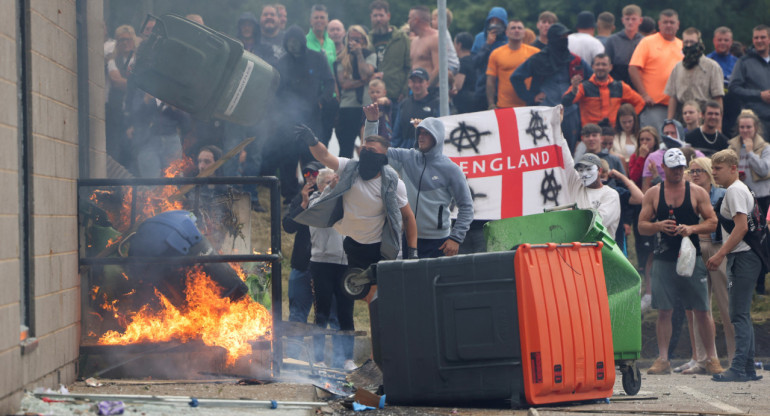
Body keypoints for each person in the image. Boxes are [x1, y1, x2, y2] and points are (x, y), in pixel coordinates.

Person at [295, 124, 419, 369]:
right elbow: (323, 156)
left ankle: (384, 358)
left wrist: (412, 252)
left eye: (371, 151)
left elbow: (408, 218)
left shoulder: (392, 182)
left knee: (382, 304)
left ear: (382, 158)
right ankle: (365, 357)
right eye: (363, 149)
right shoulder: (349, 168)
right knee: (360, 298)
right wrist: (313, 139)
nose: (365, 154)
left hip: (380, 248)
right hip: (352, 245)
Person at [638, 148, 723, 375]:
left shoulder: (696, 192)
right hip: (664, 256)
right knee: (664, 310)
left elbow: (713, 222)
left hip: (691, 255)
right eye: (672, 168)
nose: (677, 172)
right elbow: (641, 226)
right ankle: (663, 358)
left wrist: (692, 228)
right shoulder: (654, 194)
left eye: (679, 168)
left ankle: (712, 358)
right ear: (663, 168)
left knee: (702, 309)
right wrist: (658, 226)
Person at [363, 104, 474, 258]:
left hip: (439, 242)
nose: (421, 136)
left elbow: (467, 207)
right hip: (408, 238)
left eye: (426, 133)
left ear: (437, 138)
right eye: (419, 132)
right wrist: (372, 122)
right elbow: (371, 151)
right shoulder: (407, 157)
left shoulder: (451, 169)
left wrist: (456, 238)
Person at [708, 149, 764, 382]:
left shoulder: (734, 191)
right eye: (713, 168)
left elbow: (741, 228)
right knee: (742, 314)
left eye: (718, 168)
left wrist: (720, 254)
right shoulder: (740, 189)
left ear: (733, 168)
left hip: (743, 257)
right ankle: (748, 368)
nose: (714, 173)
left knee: (738, 314)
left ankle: (739, 367)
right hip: (746, 257)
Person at [270, 25, 335, 201]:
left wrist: (321, 101)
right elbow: (274, 91)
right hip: (287, 119)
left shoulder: (317, 58)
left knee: (312, 157)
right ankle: (290, 196)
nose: (293, 45)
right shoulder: (281, 63)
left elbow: (330, 83)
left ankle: (314, 193)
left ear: (302, 42)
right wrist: (280, 112)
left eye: (295, 41)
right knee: (288, 158)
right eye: (289, 42)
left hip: (313, 117)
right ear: (285, 43)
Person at [687, 157, 735, 369]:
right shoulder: (685, 195)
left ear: (708, 173)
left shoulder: (722, 194)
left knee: (727, 306)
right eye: (692, 171)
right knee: (699, 306)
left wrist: (727, 251)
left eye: (700, 170)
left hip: (718, 247)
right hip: (695, 249)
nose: (695, 174)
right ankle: (704, 358)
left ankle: (736, 358)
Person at [512, 23, 592, 151]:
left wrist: (580, 91)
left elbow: (592, 79)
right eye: (561, 37)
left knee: (569, 152)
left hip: (569, 113)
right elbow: (516, 77)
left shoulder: (575, 60)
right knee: (544, 149)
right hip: (544, 112)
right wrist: (530, 97)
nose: (564, 40)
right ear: (553, 39)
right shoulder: (538, 59)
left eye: (566, 37)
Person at [307, 168, 355, 371]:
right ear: (319, 186)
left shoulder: (347, 202)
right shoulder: (315, 201)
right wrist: (330, 190)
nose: (331, 185)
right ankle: (318, 359)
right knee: (322, 313)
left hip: (345, 263)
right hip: (322, 262)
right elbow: (319, 210)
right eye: (326, 182)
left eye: (333, 181)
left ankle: (347, 359)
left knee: (346, 313)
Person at [629, 9, 683, 129]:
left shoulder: (682, 45)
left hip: (678, 106)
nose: (668, 25)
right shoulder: (647, 42)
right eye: (665, 22)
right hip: (654, 105)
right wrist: (643, 94)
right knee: (655, 142)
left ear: (678, 25)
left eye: (672, 22)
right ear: (659, 24)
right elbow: (633, 68)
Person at [562, 53, 644, 128]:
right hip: (591, 135)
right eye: (598, 64)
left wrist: (627, 120)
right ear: (592, 67)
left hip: (613, 134)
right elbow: (566, 102)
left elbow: (640, 102)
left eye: (604, 64)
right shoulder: (583, 87)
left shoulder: (620, 86)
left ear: (610, 67)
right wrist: (574, 90)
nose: (600, 67)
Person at [664, 28, 724, 121]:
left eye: (692, 42)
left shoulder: (712, 67)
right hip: (682, 116)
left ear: (699, 43)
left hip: (705, 116)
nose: (688, 45)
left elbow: (718, 98)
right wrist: (669, 121)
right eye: (686, 42)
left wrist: (718, 125)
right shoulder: (678, 67)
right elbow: (673, 97)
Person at [335, 25, 376, 158]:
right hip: (348, 107)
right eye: (352, 39)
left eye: (358, 39)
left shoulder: (370, 55)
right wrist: (364, 81)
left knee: (369, 147)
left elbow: (365, 73)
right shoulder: (341, 58)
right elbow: (344, 84)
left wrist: (359, 54)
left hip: (366, 106)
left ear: (364, 40)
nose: (354, 42)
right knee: (346, 149)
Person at [486, 20, 539, 109]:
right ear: (507, 33)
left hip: (529, 105)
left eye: (519, 28)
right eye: (513, 28)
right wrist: (491, 104)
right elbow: (490, 81)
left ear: (524, 33)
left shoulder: (535, 53)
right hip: (504, 106)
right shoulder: (496, 53)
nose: (516, 30)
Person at [728, 25, 770, 138]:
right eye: (756, 38)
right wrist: (759, 95)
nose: (759, 40)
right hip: (755, 123)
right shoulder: (744, 62)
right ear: (753, 40)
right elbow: (734, 88)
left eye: (762, 37)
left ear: (769, 39)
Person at [728, 110, 770, 220]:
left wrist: (750, 152)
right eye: (742, 127)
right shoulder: (732, 147)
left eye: (748, 127)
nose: (745, 130)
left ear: (755, 128)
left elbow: (764, 170)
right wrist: (736, 176)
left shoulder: (765, 147)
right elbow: (725, 170)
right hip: (740, 197)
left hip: (761, 197)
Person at [106, 25, 137, 168]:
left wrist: (131, 84)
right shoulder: (113, 60)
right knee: (114, 149)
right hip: (116, 111)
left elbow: (138, 86)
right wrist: (131, 84)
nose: (125, 43)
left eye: (128, 39)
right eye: (122, 40)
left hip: (135, 113)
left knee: (133, 152)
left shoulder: (139, 60)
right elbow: (117, 82)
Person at [369, 0, 411, 104]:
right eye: (375, 16)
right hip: (372, 95)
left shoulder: (401, 38)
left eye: (381, 15)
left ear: (388, 16)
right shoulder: (367, 39)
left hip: (396, 94)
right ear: (371, 17)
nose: (378, 19)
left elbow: (409, 66)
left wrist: (404, 90)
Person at [470, 7, 508, 112]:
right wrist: (487, 45)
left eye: (498, 22)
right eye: (492, 21)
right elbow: (474, 63)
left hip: (504, 90)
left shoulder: (508, 40)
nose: (495, 24)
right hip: (483, 87)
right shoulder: (480, 38)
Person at [391, 68, 440, 149]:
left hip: (428, 153)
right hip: (406, 153)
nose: (417, 85)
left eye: (420, 81)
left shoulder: (437, 104)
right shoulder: (403, 104)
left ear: (427, 83)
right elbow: (396, 135)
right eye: (414, 81)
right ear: (409, 83)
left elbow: (442, 132)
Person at [708, 27, 740, 136]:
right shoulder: (708, 61)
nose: (722, 43)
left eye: (726, 40)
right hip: (712, 105)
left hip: (732, 108)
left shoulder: (738, 63)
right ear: (714, 41)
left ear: (731, 42)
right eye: (719, 40)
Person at [605, 4, 643, 87]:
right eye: (627, 19)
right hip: (616, 84)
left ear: (640, 20)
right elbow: (606, 64)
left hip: (638, 85)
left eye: (633, 19)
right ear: (622, 20)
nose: (630, 22)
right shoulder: (612, 40)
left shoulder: (644, 41)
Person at [306, 4, 336, 71]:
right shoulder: (304, 42)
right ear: (311, 21)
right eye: (316, 18)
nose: (319, 20)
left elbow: (334, 68)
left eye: (322, 18)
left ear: (327, 21)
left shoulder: (331, 43)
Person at [453, 32, 476, 114]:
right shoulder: (476, 59)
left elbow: (458, 85)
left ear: (459, 45)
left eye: (454, 43)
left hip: (465, 104)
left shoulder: (462, 62)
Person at [430, 8, 460, 73]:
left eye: (434, 19)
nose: (431, 22)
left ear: (442, 21)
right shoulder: (441, 32)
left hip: (451, 64)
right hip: (451, 64)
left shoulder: (442, 33)